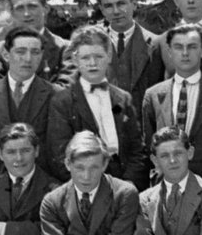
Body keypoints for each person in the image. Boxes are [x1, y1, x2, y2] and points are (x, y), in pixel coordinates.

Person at [47, 25, 146, 186]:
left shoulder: (123, 98)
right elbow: (59, 156)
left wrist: (128, 184)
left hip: (125, 183)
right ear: (75, 60)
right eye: (85, 58)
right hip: (84, 185)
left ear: (109, 56)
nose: (92, 63)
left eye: (98, 56)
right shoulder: (63, 102)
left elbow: (137, 149)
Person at [0, 26, 57, 183]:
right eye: (21, 51)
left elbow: (58, 145)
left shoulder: (56, 95)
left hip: (42, 188)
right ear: (6, 55)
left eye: (35, 52)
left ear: (42, 55)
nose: (28, 58)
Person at [143, 23, 202, 184]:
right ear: (169, 52)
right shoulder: (153, 94)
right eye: (178, 47)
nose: (185, 53)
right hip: (165, 183)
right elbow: (148, 145)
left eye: (192, 47)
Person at [94, 0, 167, 101]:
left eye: (121, 4)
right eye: (108, 6)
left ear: (134, 4)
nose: (116, 11)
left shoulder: (156, 44)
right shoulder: (91, 45)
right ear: (102, 9)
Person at [0, 0, 70, 86]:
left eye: (32, 7)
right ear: (12, 13)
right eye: (20, 8)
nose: (26, 14)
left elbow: (67, 92)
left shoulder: (65, 49)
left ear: (46, 9)